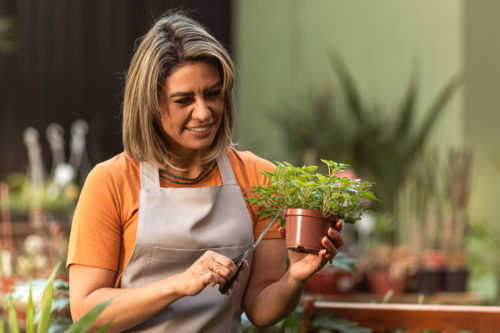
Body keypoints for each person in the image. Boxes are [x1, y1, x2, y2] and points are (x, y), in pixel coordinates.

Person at [66, 11, 344, 332]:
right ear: (150, 105)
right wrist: (178, 285)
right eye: (184, 100)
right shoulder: (110, 182)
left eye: (213, 94)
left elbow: (260, 309)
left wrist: (296, 276)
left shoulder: (258, 176)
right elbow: (86, 314)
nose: (203, 112)